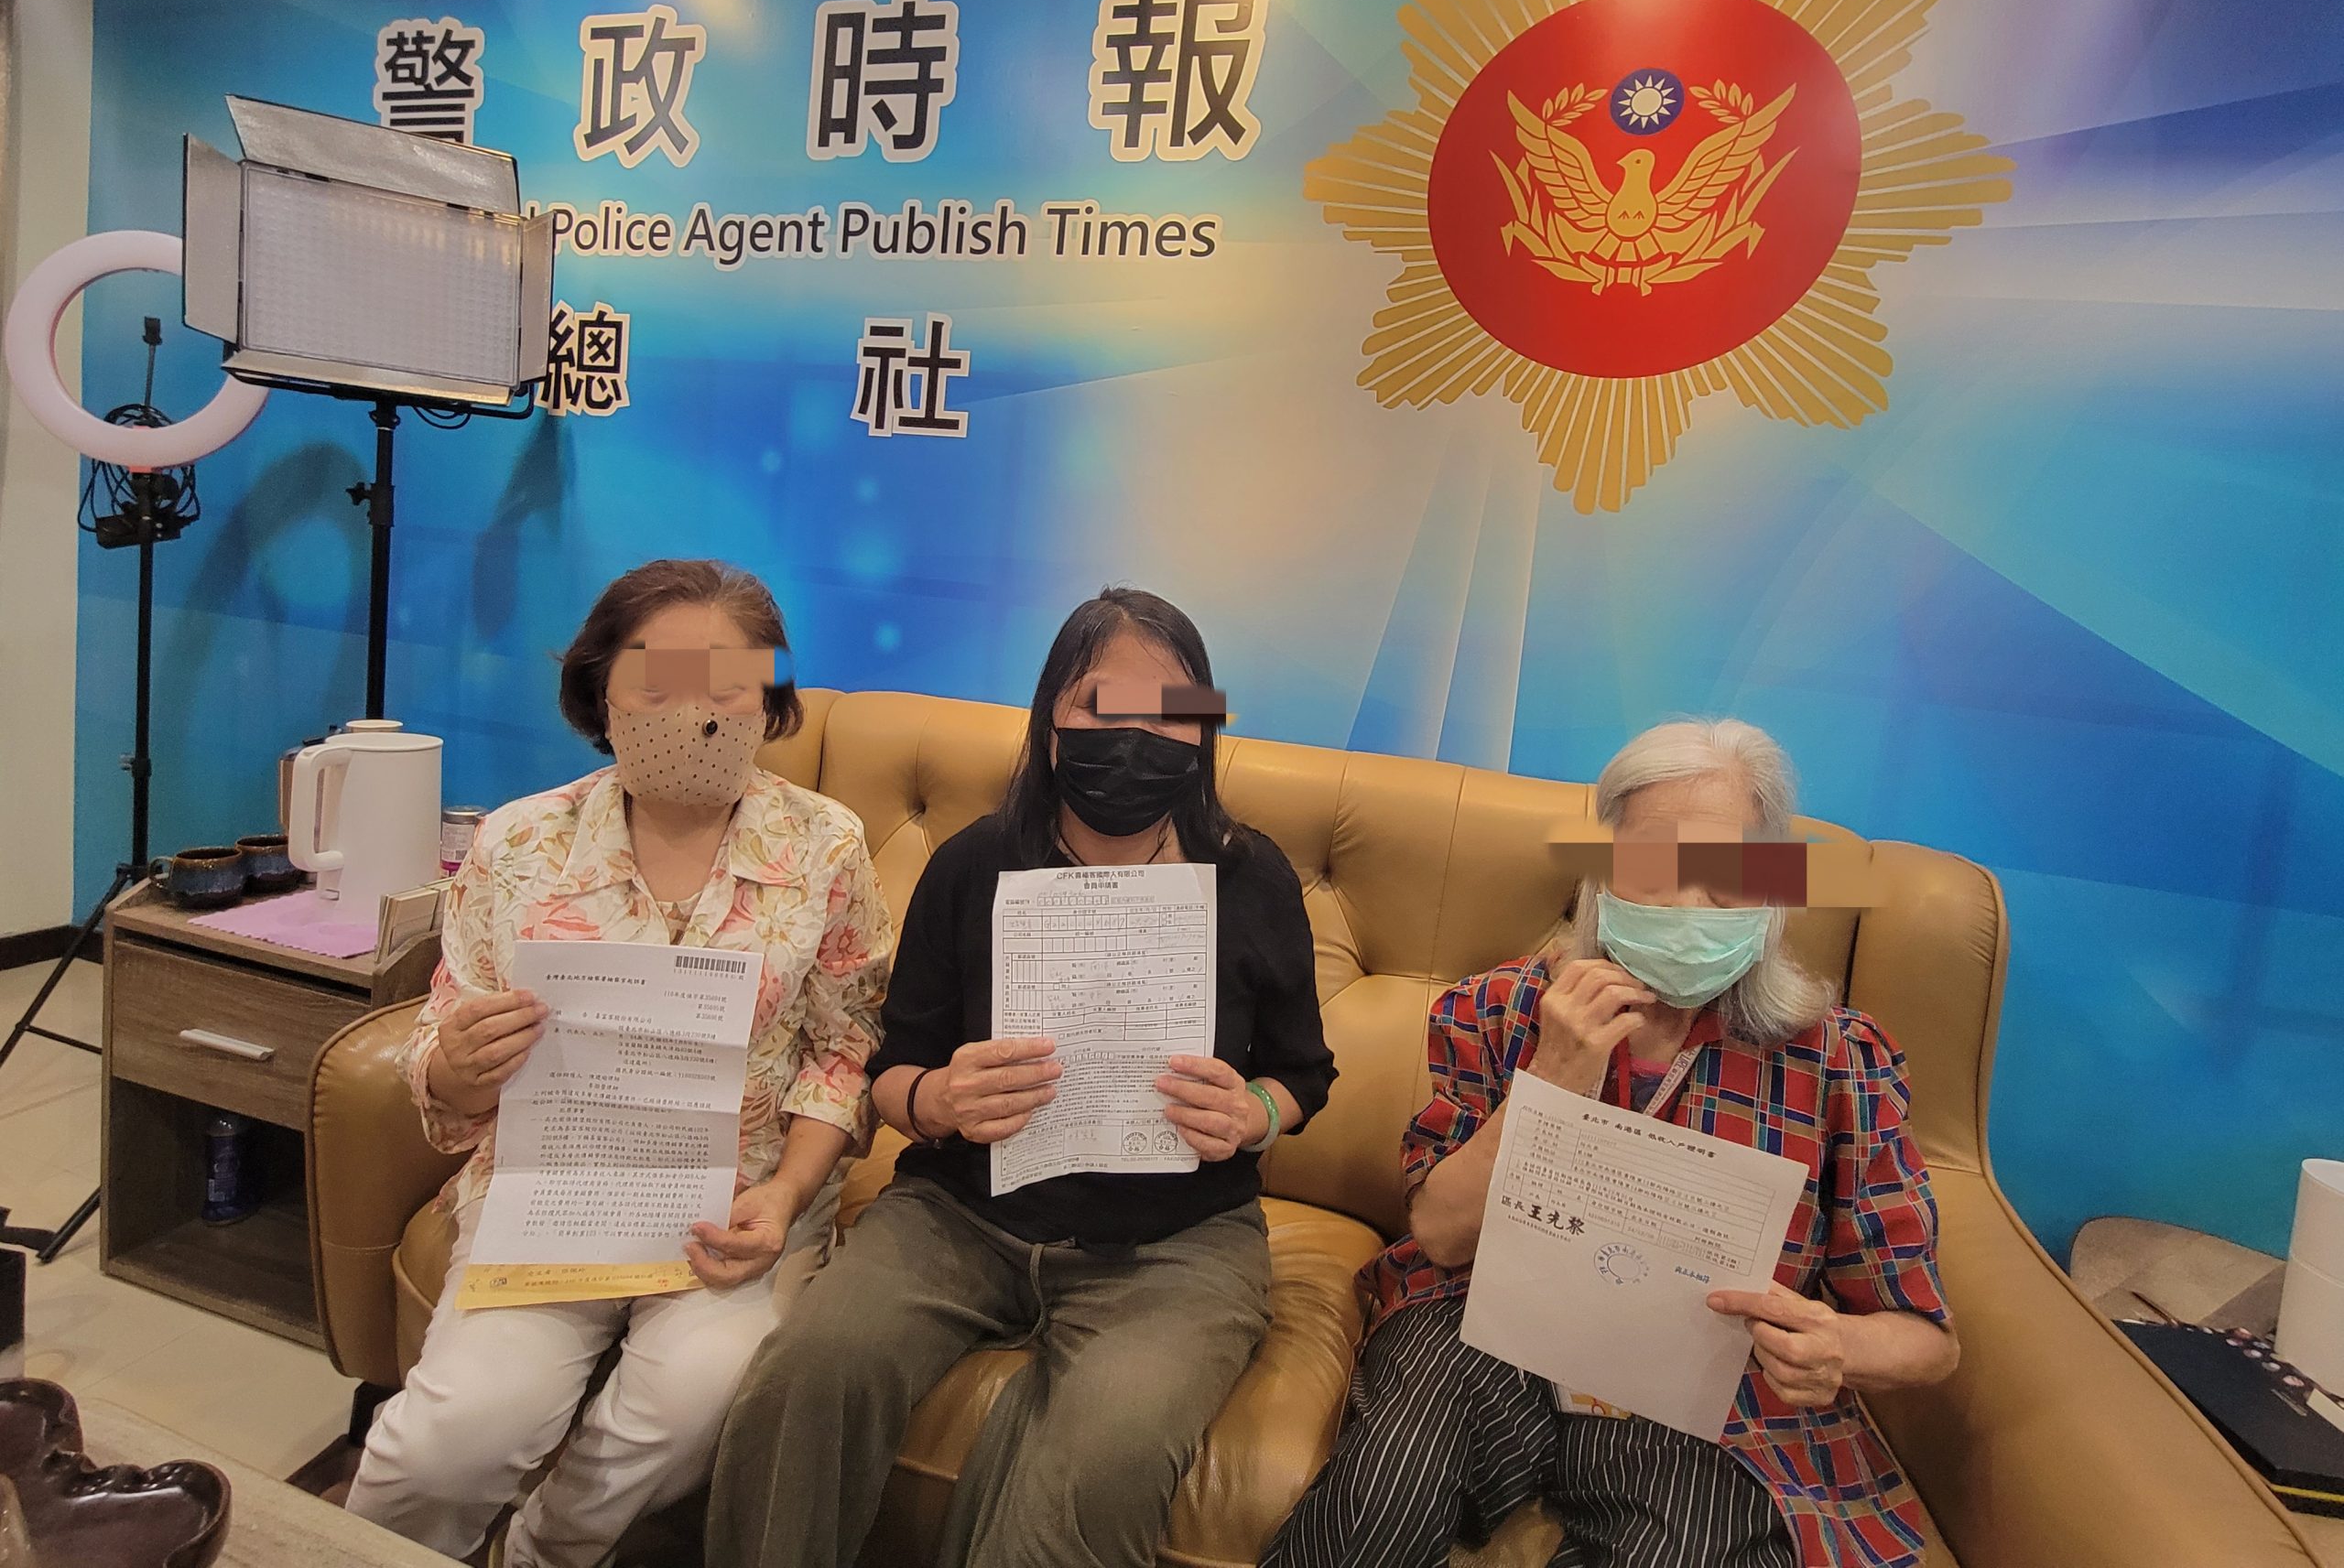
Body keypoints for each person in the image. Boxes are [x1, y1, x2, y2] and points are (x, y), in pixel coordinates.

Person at [708, 586, 1338, 1568]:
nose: (1134, 735)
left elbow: (1304, 1072)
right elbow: (890, 1070)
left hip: (1176, 1244)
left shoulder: (1250, 878)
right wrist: (936, 1099)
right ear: (1050, 722)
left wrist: (1253, 1112)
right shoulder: (973, 865)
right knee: (810, 1373)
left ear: (1203, 729)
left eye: (1170, 710)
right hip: (960, 1216)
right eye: (1102, 704)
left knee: (1103, 1460)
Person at [1264, 719, 1958, 1568]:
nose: (1689, 905)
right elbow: (1439, 1236)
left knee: (1676, 1549)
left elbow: (1927, 1336)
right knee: (1378, 1501)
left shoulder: (1838, 1062)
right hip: (1493, 1325)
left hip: (1704, 1378)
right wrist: (1551, 1081)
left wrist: (1836, 1345)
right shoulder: (1506, 1009)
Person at [344, 559, 893, 1568]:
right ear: (600, 689)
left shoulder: (824, 845)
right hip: (553, 1194)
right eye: (658, 682)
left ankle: (545, 1552)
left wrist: (786, 1196)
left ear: (771, 698)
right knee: (451, 1440)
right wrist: (459, 1066)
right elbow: (444, 1038)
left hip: (733, 1205)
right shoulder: (519, 843)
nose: (696, 714)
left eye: (728, 685)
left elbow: (846, 1042)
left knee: (693, 1405)